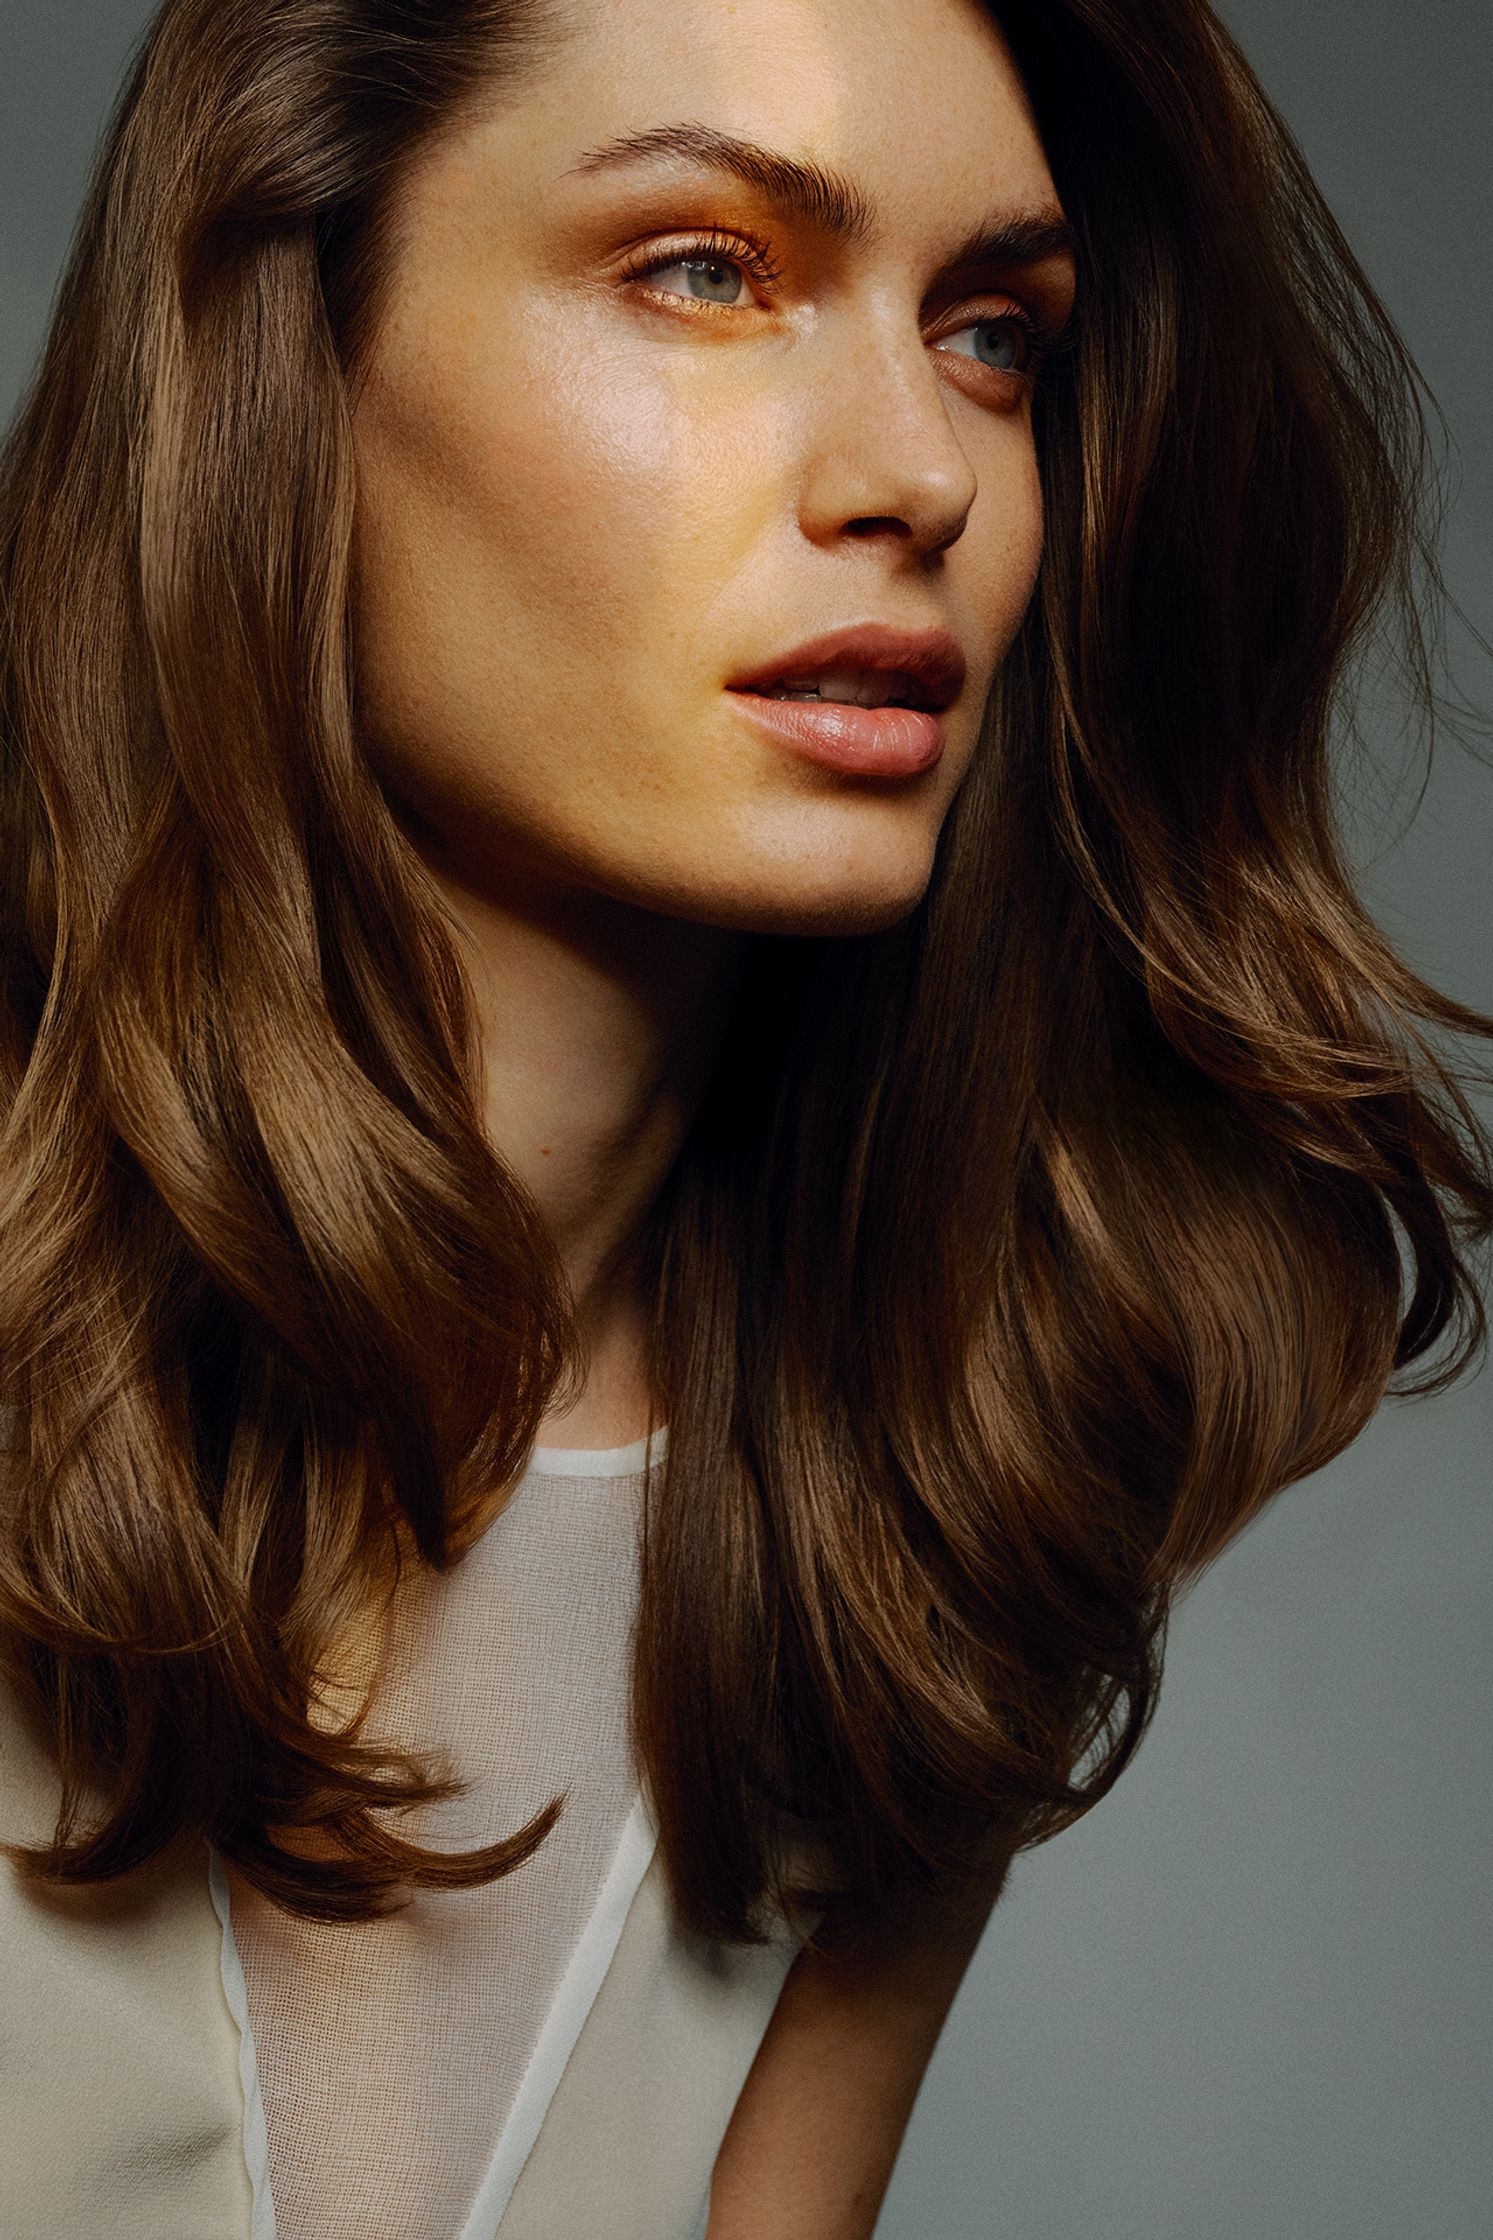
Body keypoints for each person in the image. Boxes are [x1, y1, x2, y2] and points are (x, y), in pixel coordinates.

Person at [1, 0, 1489, 2234]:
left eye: (992, 330)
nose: (925, 468)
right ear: (287, 354)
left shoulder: (932, 1495)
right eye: (707, 269)